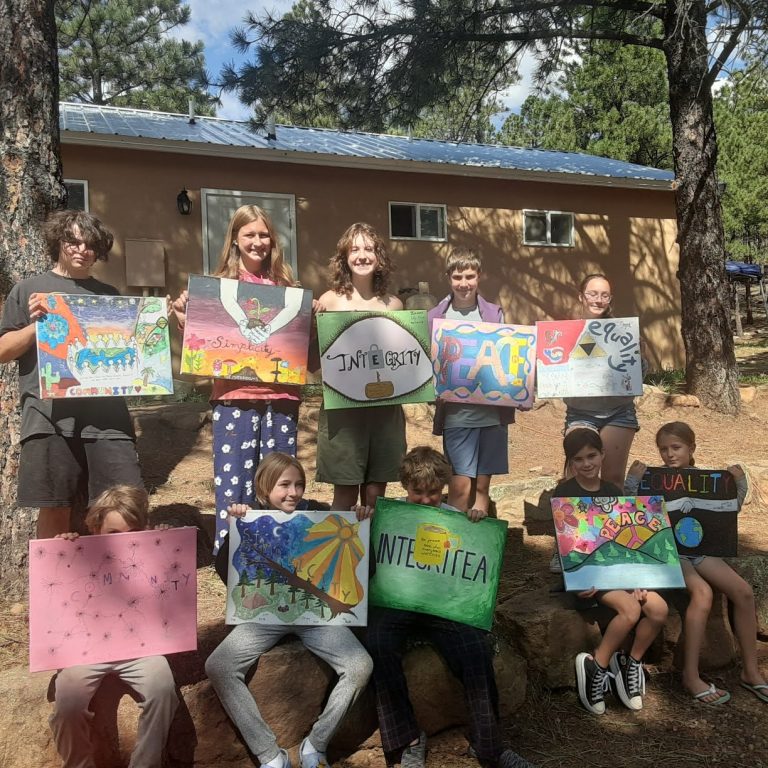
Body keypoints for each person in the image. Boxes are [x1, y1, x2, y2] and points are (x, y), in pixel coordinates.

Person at [359, 446, 535, 768]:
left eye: (433, 493)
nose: (426, 499)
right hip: (398, 602)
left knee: (475, 650)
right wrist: (364, 522)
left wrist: (476, 524)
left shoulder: (456, 519)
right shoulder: (390, 514)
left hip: (444, 606)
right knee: (378, 642)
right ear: (405, 487)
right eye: (418, 492)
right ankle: (407, 739)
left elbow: (474, 560)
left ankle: (489, 747)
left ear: (443, 488)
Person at [205, 452, 373, 768]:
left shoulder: (321, 515)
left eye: (298, 484)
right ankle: (269, 755)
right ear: (263, 489)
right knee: (219, 665)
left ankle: (316, 744)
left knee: (360, 665)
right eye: (284, 485)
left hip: (317, 617)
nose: (293, 492)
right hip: (265, 617)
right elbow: (226, 570)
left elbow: (364, 567)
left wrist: (361, 526)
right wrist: (234, 529)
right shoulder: (251, 518)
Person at [0, 210, 143, 539]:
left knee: (124, 504)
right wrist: (38, 327)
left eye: (90, 244)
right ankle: (52, 587)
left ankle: (124, 584)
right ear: (58, 242)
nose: (82, 250)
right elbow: (4, 350)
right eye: (73, 242)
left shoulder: (110, 295)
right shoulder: (29, 290)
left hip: (108, 416)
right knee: (55, 504)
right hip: (48, 415)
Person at [172, 205, 302, 555]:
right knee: (234, 484)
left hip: (281, 399)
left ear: (272, 240)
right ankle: (230, 556)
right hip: (233, 396)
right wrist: (186, 314)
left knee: (280, 480)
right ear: (234, 239)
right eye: (250, 234)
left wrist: (312, 312)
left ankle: (278, 553)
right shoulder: (216, 288)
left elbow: (300, 341)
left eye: (264, 234)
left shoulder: (288, 288)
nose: (258, 242)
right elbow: (200, 341)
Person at [625, 421, 767, 706]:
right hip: (671, 552)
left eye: (676, 447)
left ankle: (750, 671)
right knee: (702, 592)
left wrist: (739, 483)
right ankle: (690, 675)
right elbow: (633, 512)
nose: (669, 454)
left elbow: (726, 512)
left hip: (700, 550)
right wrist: (632, 482)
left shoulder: (705, 479)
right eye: (663, 449)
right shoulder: (654, 479)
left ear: (691, 448)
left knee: (743, 592)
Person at [49, 485, 179, 768]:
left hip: (140, 648)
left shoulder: (150, 550)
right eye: (114, 534)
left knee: (163, 689)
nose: (123, 542)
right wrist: (60, 548)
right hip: (84, 651)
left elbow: (172, 585)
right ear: (96, 529)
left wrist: (169, 545)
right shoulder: (77, 551)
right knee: (67, 705)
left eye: (132, 534)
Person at [553, 428, 668, 715]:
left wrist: (637, 579)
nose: (587, 463)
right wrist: (578, 581)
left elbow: (626, 538)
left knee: (659, 609)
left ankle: (632, 663)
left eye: (592, 455)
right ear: (570, 462)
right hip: (586, 576)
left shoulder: (613, 492)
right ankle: (598, 665)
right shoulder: (564, 493)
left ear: (603, 454)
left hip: (618, 571)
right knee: (630, 610)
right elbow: (567, 546)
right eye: (578, 459)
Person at [550, 273, 642, 572]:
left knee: (612, 480)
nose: (598, 299)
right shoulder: (566, 331)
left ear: (610, 298)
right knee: (576, 475)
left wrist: (637, 352)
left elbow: (641, 371)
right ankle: (566, 546)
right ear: (581, 296)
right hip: (580, 412)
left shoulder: (624, 331)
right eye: (593, 293)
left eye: (604, 294)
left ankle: (611, 543)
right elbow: (552, 366)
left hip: (619, 411)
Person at [315, 223, 406, 510]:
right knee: (344, 494)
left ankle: (372, 554)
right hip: (343, 412)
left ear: (380, 257)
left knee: (375, 495)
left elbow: (402, 360)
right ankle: (337, 555)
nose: (362, 256)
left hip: (384, 409)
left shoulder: (395, 305)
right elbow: (314, 358)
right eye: (354, 249)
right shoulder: (328, 301)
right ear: (344, 257)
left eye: (369, 249)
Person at [428, 247, 514, 513]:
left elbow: (507, 359)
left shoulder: (494, 314)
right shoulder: (435, 317)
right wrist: (434, 389)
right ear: (448, 277)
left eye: (469, 276)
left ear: (479, 276)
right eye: (457, 277)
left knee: (482, 491)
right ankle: (454, 546)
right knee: (459, 488)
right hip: (456, 416)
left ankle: (479, 550)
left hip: (491, 415)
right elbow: (428, 365)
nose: (463, 283)